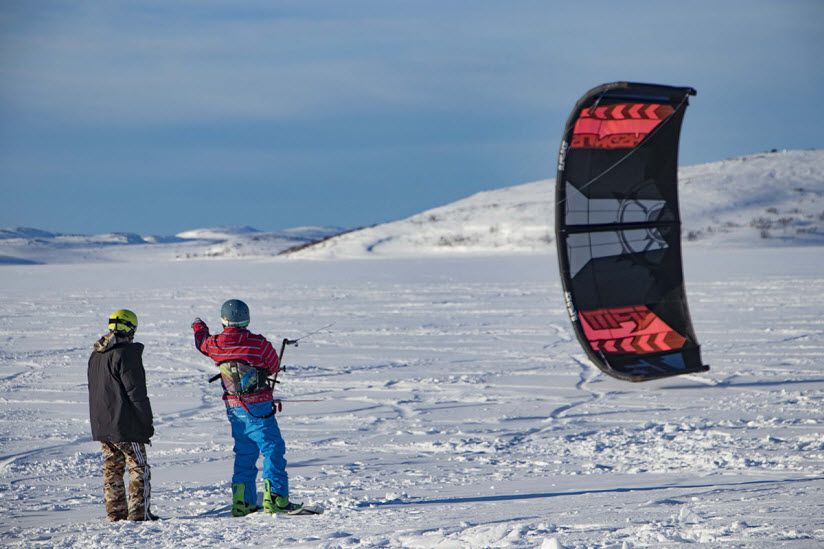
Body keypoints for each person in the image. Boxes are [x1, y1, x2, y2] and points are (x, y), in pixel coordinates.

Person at [191, 299, 302, 516]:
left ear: (224, 320)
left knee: (245, 452)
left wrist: (198, 327)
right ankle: (277, 498)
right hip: (259, 406)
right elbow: (273, 366)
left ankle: (242, 501)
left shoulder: (215, 344)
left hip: (234, 408)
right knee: (273, 449)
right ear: (247, 318)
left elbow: (201, 343)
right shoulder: (258, 343)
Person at [87, 309, 156, 522]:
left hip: (103, 425)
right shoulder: (127, 354)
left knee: (112, 468)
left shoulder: (96, 354)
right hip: (125, 425)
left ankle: (115, 514)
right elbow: (136, 393)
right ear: (131, 329)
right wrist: (146, 424)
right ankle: (138, 514)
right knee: (139, 467)